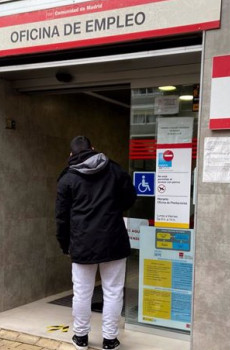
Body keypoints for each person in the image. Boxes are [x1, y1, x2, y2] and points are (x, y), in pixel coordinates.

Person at [55, 136, 136, 350]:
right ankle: (110, 340)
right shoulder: (115, 170)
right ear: (93, 149)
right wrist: (112, 208)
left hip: (82, 243)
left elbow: (61, 217)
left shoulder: (67, 179)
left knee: (82, 292)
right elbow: (129, 198)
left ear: (71, 154)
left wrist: (65, 244)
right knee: (113, 291)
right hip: (113, 240)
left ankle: (80, 337)